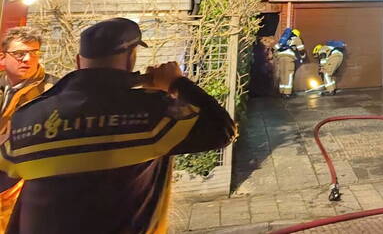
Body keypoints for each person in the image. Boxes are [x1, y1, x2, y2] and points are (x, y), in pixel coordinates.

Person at [0, 17, 236, 233]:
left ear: (78, 61)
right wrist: (176, 83)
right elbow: (222, 129)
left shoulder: (26, 118)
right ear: (131, 57)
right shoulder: (151, 114)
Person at [0, 28, 56, 231]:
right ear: (2, 57)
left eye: (34, 52)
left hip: (27, 182)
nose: (27, 59)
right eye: (19, 53)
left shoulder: (53, 92)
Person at [274, 27, 305, 97]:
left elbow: (275, 48)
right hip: (289, 57)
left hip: (280, 57)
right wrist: (303, 57)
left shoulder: (283, 39)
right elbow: (301, 49)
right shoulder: (296, 38)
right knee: (288, 75)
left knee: (282, 74)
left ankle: (282, 92)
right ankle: (287, 93)